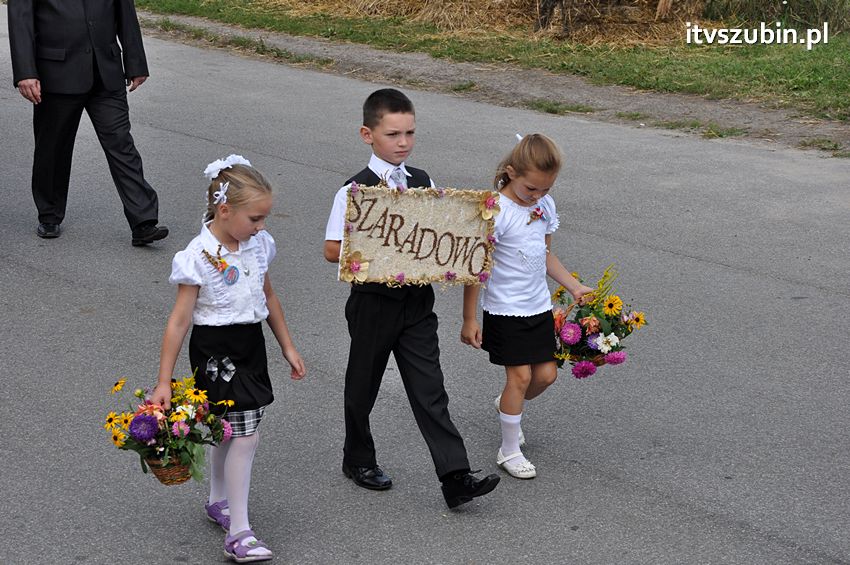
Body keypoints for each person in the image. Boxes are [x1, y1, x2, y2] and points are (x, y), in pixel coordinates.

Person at [323, 88, 500, 508]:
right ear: (368, 134)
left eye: (409, 133)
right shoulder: (355, 190)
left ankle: (455, 477)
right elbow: (332, 248)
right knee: (362, 386)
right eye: (392, 134)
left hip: (418, 306)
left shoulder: (423, 181)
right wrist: (381, 250)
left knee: (430, 389)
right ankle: (358, 458)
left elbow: (442, 231)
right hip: (373, 304)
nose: (403, 142)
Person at [151, 155, 306, 562]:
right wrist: (164, 380)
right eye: (255, 218)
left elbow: (268, 297)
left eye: (264, 218)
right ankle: (239, 531)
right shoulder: (198, 256)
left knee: (230, 429)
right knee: (245, 433)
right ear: (224, 210)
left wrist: (286, 345)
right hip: (216, 351)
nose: (261, 227)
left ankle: (219, 501)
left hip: (250, 345)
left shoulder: (258, 247)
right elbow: (179, 321)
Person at [460, 134, 594, 479]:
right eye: (530, 189)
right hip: (504, 309)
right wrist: (469, 318)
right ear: (511, 173)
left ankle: (508, 402)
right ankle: (509, 450)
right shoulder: (495, 212)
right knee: (519, 377)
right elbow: (478, 268)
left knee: (545, 377)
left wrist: (574, 286)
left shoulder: (543, 207)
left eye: (545, 190)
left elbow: (544, 253)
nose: (537, 197)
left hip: (537, 306)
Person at [8, 0, 168, 245]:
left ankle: (143, 221)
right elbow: (20, 20)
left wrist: (136, 63)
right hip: (56, 73)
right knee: (52, 149)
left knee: (121, 144)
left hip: (106, 71)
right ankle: (49, 214)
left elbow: (125, 12)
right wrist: (26, 72)